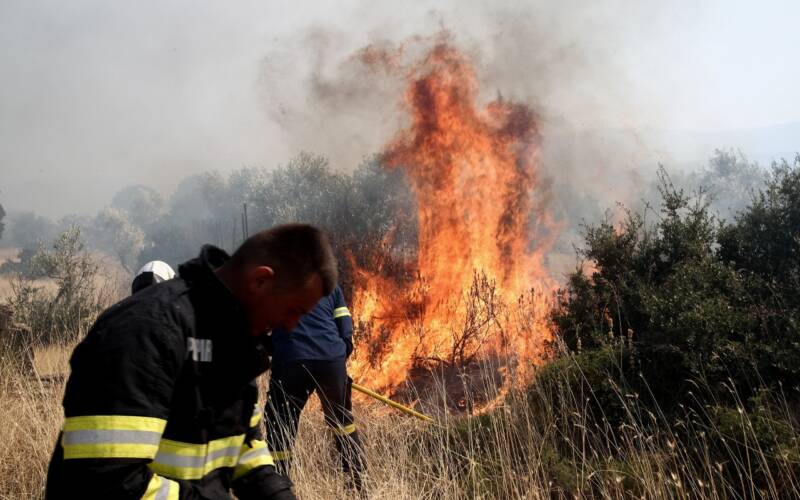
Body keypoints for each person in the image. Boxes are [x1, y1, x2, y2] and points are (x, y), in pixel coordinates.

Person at [45, 223, 338, 500]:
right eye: (294, 310)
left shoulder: (235, 340)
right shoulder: (144, 331)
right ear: (260, 280)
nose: (292, 326)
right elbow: (106, 483)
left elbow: (245, 450)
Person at [265, 285, 366, 491]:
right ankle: (356, 484)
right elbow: (344, 322)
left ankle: (279, 487)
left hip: (291, 360)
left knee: (280, 423)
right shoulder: (330, 285)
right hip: (330, 360)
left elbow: (259, 323)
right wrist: (340, 352)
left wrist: (273, 348)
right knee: (342, 421)